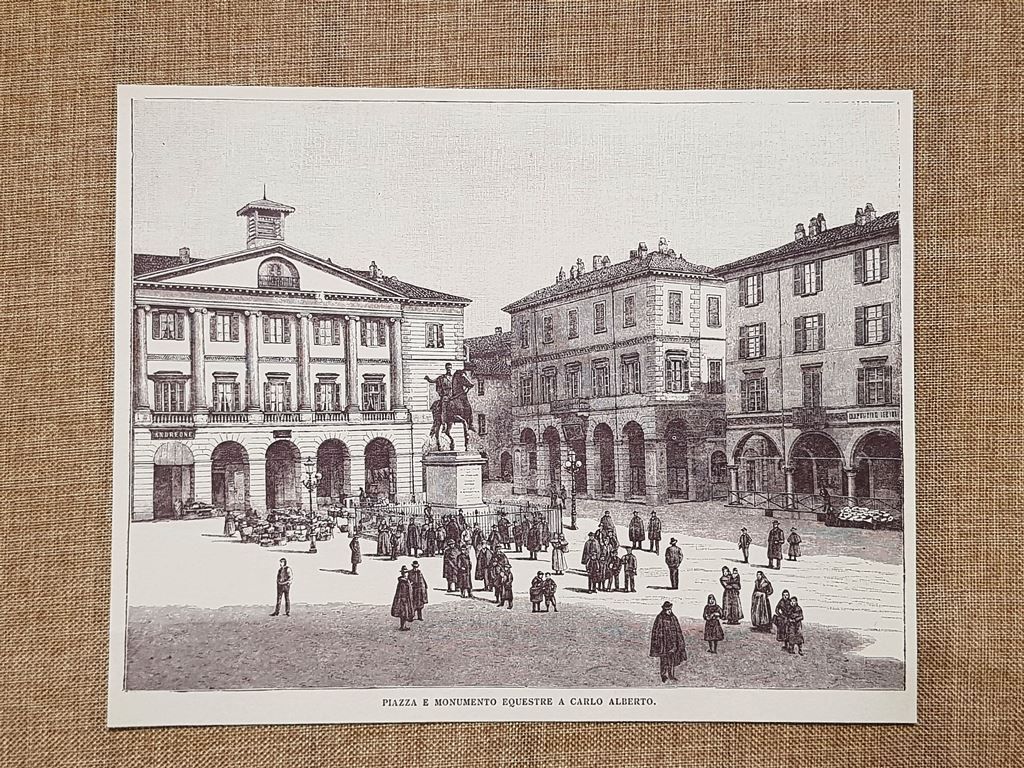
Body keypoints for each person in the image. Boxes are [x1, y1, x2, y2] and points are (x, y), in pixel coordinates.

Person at [650, 601, 686, 682]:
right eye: (667, 609)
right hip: (664, 644)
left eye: (670, 609)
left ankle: (671, 675)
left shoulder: (673, 618)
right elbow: (656, 631)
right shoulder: (660, 618)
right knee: (664, 660)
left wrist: (679, 642)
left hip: (673, 643)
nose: (669, 610)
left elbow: (678, 630)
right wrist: (658, 642)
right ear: (664, 609)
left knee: (672, 660)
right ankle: (663, 675)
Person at [390, 566, 415, 630]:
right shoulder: (403, 582)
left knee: (405, 613)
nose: (406, 574)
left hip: (406, 599)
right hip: (403, 599)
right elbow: (402, 591)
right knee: (403, 613)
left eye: (406, 572)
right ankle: (402, 626)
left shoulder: (406, 580)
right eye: (404, 573)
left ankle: (403, 626)